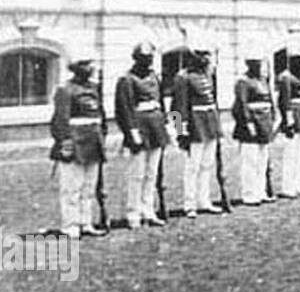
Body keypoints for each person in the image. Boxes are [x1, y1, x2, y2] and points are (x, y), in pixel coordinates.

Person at [50, 56, 107, 237]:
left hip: (93, 141)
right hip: (75, 141)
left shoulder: (94, 88)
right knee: (72, 187)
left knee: (89, 186)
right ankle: (71, 224)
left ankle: (86, 222)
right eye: (87, 65)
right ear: (77, 68)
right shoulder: (65, 90)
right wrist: (65, 142)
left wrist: (101, 137)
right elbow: (60, 121)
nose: (91, 68)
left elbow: (101, 116)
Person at [114, 41, 168, 229]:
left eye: (150, 58)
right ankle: (133, 213)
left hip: (156, 128)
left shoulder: (154, 76)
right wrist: (131, 133)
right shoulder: (127, 80)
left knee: (152, 174)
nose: (148, 62)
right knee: (136, 174)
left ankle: (148, 210)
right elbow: (124, 110)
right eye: (144, 59)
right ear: (136, 59)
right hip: (140, 128)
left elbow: (162, 103)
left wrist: (170, 127)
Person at [173, 48, 224, 217]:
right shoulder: (183, 77)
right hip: (195, 125)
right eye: (203, 55)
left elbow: (213, 100)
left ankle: (204, 200)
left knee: (207, 164)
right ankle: (190, 204)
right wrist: (181, 131)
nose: (207, 59)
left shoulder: (208, 75)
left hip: (210, 123)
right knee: (193, 166)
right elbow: (177, 108)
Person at [232, 57, 275, 205]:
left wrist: (273, 119)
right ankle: (249, 194)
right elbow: (241, 104)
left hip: (264, 122)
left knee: (262, 161)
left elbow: (270, 100)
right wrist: (248, 122)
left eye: (260, 64)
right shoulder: (243, 81)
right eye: (256, 64)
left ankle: (260, 191)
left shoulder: (263, 80)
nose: (259, 67)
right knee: (250, 161)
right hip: (251, 123)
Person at [274, 50, 300, 198]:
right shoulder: (286, 77)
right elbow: (285, 101)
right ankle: (288, 186)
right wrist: (288, 121)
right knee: (291, 154)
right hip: (293, 116)